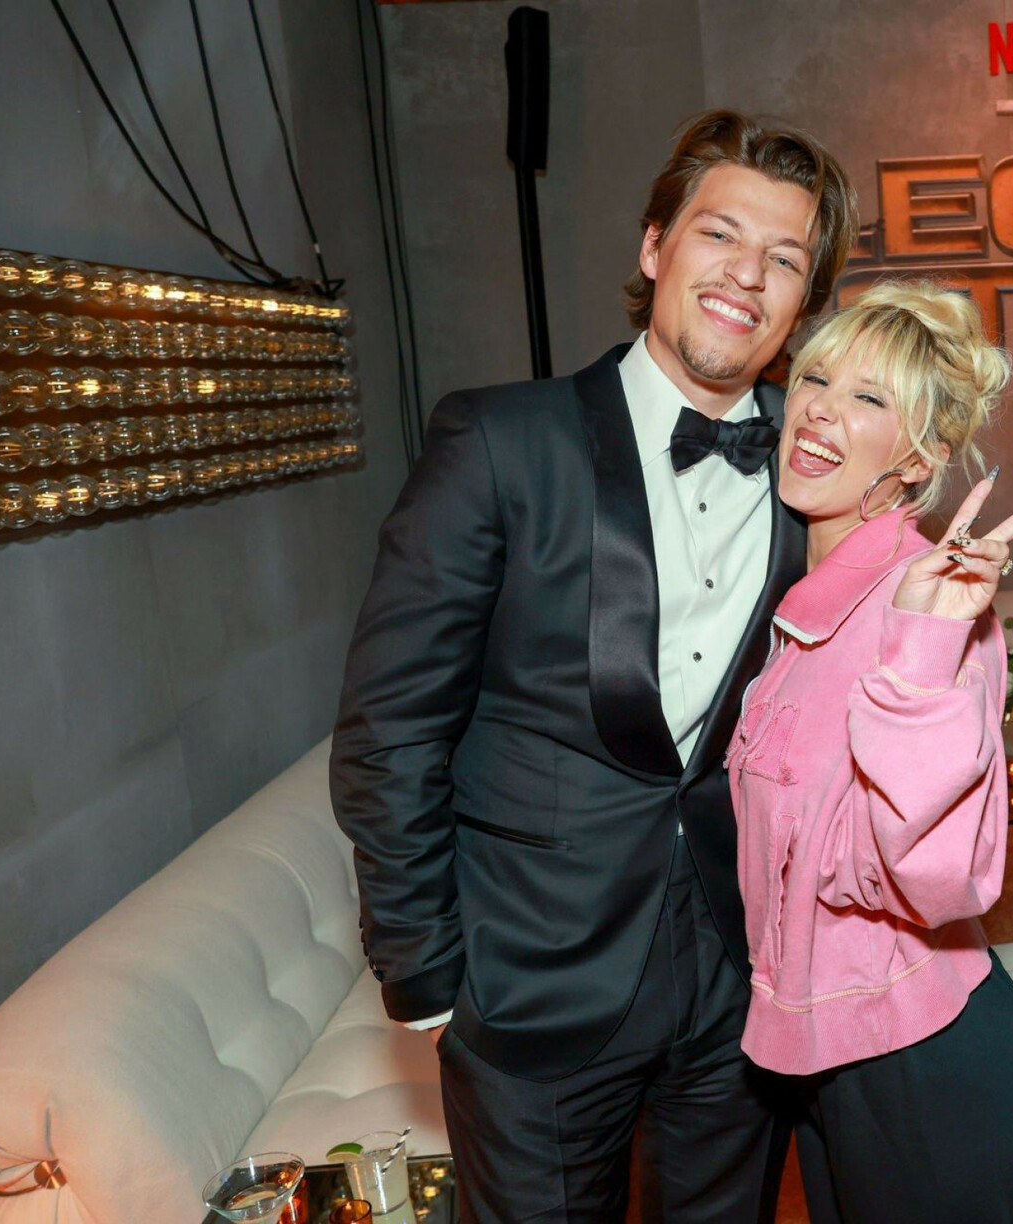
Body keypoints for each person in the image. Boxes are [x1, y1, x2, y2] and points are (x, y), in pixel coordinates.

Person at [330, 111, 857, 1221]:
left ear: (804, 303)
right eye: (719, 234)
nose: (746, 276)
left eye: (784, 260)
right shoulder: (499, 443)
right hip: (532, 980)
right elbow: (392, 726)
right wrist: (426, 973)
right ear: (654, 246)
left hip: (738, 977)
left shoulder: (817, 468)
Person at [733, 281, 1013, 1222]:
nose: (820, 410)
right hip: (827, 1061)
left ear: (920, 459)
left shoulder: (931, 608)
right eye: (814, 379)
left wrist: (920, 650)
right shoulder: (804, 602)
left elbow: (942, 878)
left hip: (930, 1073)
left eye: (868, 398)